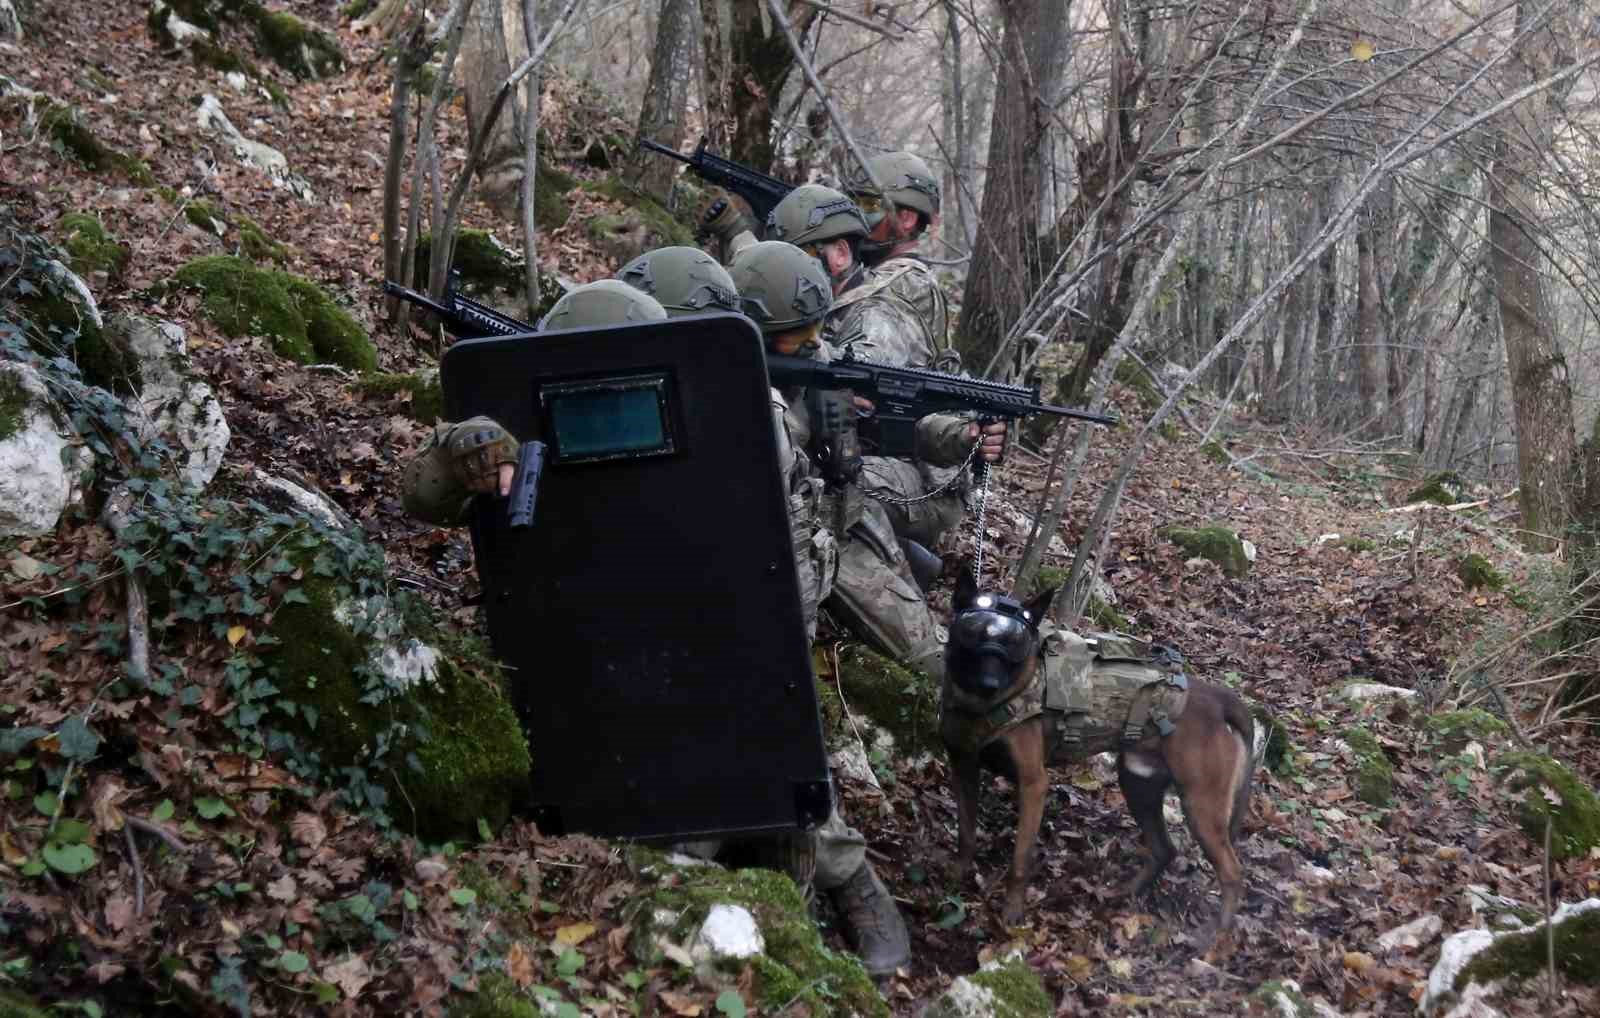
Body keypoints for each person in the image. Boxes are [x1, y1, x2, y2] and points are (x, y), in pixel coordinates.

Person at [400, 271, 910, 977]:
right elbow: (421, 493)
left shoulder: (736, 411)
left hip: (719, 626)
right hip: (590, 657)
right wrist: (463, 455)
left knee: (776, 753)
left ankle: (847, 876)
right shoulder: (516, 416)